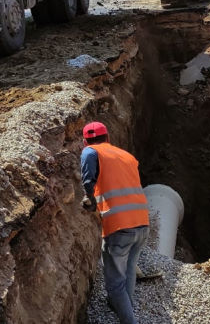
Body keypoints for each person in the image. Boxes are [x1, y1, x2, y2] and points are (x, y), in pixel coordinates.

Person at [80, 122, 149, 324]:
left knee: (115, 284)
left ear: (85, 141)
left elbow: (87, 181)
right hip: (142, 223)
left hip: (119, 227)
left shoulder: (90, 152)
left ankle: (128, 318)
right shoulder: (127, 156)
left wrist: (89, 199)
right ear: (108, 137)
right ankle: (121, 305)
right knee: (128, 269)